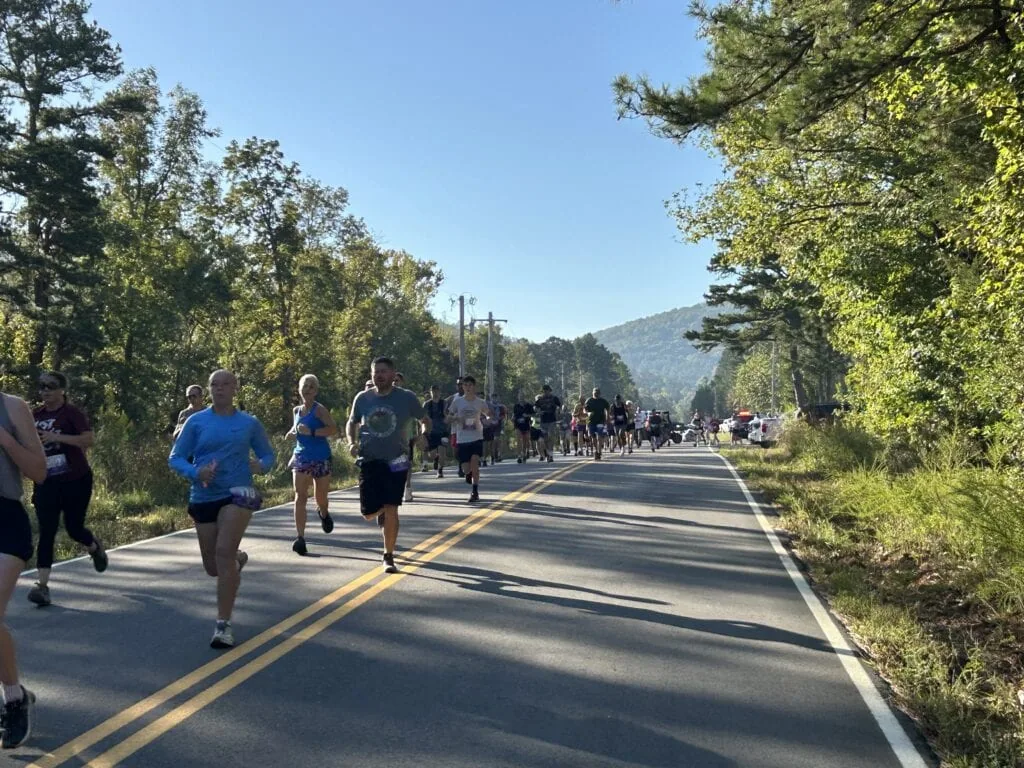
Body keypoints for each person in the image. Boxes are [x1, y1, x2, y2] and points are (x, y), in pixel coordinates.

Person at [169, 369, 275, 648]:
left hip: (238, 493)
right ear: (209, 389)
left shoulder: (249, 423)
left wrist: (260, 465)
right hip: (204, 495)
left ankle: (223, 625)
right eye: (214, 384)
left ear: (235, 388)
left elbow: (268, 454)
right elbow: (176, 458)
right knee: (213, 567)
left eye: (225, 384)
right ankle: (237, 560)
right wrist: (196, 472)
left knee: (223, 552)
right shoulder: (196, 422)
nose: (220, 389)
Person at [28, 372, 106, 607]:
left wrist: (57, 436)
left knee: (74, 528)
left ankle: (94, 547)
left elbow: (88, 440)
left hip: (76, 479)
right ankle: (42, 587)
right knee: (47, 531)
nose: (45, 391)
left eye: (51, 386)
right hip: (47, 482)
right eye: (42, 386)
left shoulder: (72, 413)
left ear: (62, 389)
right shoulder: (35, 415)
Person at [346, 357, 430, 574]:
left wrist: (423, 435)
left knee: (392, 506)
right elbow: (351, 422)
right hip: (369, 459)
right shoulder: (362, 398)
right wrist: (351, 442)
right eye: (376, 372)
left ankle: (388, 555)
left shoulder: (406, 397)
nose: (379, 376)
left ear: (394, 375)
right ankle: (383, 510)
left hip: (397, 459)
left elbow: (424, 419)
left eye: (383, 371)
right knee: (368, 513)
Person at [0, 389, 46, 748]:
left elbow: (39, 471)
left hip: (5, 521)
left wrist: (3, 438)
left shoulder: (12, 407)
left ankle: (14, 699)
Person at [286, 374, 337, 556]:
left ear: (316, 391)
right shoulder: (296, 411)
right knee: (300, 496)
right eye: (304, 386)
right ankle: (300, 538)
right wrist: (292, 433)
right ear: (299, 389)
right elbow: (296, 427)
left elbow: (333, 429)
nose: (307, 389)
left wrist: (312, 431)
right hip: (301, 457)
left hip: (321, 458)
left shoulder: (319, 410)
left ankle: (323, 513)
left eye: (311, 387)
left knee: (320, 497)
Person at [446, 375, 492, 503]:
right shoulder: (457, 402)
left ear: (474, 387)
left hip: (477, 436)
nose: (467, 388)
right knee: (467, 468)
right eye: (465, 385)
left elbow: (488, 414)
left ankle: (475, 491)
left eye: (470, 385)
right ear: (462, 387)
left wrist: (487, 419)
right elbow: (448, 418)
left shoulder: (480, 402)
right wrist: (456, 419)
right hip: (462, 439)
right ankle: (469, 474)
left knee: (475, 463)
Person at [423, 385, 449, 478]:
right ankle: (436, 459)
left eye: (437, 391)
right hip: (431, 432)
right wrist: (423, 427)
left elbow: (449, 414)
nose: (435, 393)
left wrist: (448, 417)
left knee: (442, 453)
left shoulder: (444, 403)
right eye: (433, 391)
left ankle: (440, 471)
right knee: (432, 454)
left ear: (440, 392)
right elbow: (422, 417)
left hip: (443, 431)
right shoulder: (426, 404)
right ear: (430, 392)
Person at [533, 384, 561, 463]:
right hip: (543, 421)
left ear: (549, 390)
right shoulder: (540, 399)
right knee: (545, 438)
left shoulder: (554, 398)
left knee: (550, 436)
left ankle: (550, 455)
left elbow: (559, 406)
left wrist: (558, 410)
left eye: (547, 390)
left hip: (552, 420)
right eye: (544, 391)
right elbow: (535, 406)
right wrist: (538, 411)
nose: (545, 392)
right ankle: (548, 453)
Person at [445, 377, 465, 477]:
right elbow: (446, 411)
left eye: (462, 384)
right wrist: (452, 418)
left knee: (465, 449)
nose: (460, 386)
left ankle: (462, 467)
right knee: (456, 451)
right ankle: (461, 464)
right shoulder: (452, 398)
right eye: (458, 384)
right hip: (455, 428)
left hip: (468, 429)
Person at [584, 388, 611, 461]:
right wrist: (587, 413)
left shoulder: (603, 401)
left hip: (600, 421)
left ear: (599, 393)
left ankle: (598, 452)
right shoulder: (589, 400)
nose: (596, 394)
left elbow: (608, 408)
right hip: (591, 421)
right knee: (593, 438)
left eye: (597, 393)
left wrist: (608, 416)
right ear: (592, 393)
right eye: (595, 393)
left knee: (599, 437)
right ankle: (596, 449)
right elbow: (585, 410)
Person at [512, 393, 534, 463]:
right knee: (519, 440)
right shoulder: (516, 406)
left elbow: (533, 414)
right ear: (518, 398)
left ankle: (524, 454)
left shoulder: (528, 406)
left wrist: (527, 415)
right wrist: (513, 418)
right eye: (520, 396)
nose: (521, 398)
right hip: (518, 425)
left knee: (525, 441)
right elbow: (514, 414)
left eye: (522, 396)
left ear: (524, 397)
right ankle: (519, 456)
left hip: (526, 425)